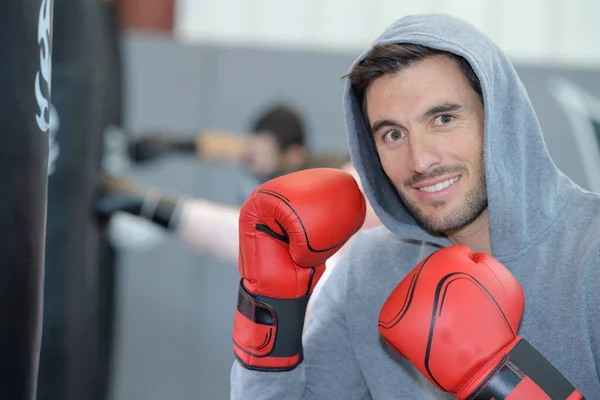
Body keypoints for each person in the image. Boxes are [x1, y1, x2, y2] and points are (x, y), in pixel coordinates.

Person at [230, 13, 600, 399]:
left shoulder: (590, 255)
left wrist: (505, 386)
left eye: (443, 118)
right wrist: (268, 314)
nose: (420, 160)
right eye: (393, 134)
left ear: (499, 116)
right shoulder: (368, 271)